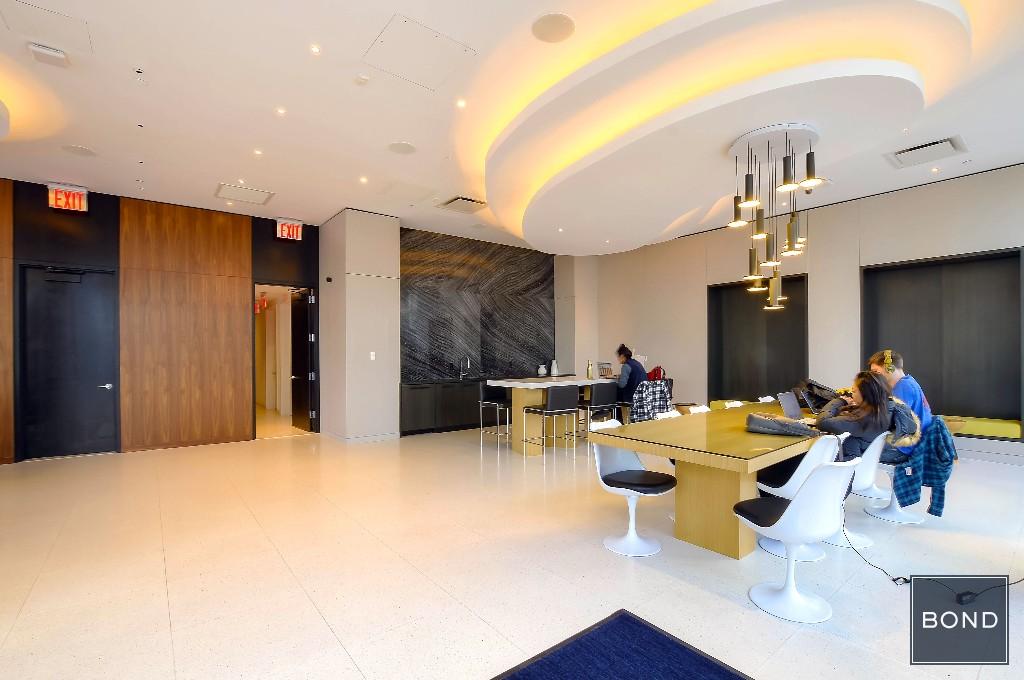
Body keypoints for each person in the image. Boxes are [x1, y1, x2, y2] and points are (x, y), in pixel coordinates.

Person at [868, 349, 933, 453]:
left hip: (907, 447)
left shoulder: (903, 387)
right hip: (916, 442)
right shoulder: (909, 382)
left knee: (858, 444)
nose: (874, 377)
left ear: (890, 369)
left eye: (876, 372)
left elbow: (889, 422)